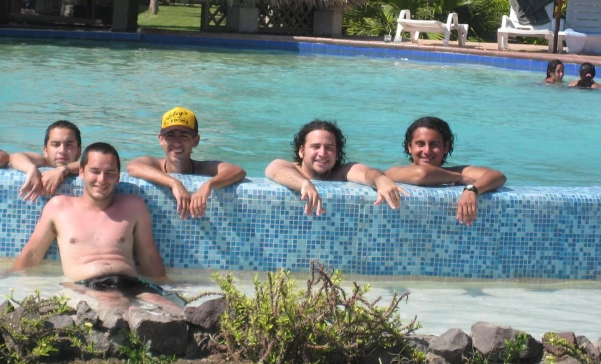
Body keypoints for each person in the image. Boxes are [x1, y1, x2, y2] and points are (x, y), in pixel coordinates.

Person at [15, 142, 180, 313]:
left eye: (109, 173)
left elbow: (150, 257)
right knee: (113, 305)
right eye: (95, 171)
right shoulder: (59, 207)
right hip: (87, 286)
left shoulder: (133, 206)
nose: (101, 179)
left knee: (175, 311)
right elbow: (31, 255)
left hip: (132, 284)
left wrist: (168, 286)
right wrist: (6, 278)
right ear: (81, 172)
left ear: (118, 177)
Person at [265, 120, 407, 216]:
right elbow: (276, 169)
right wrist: (304, 183)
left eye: (329, 148)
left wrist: (380, 179)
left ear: (337, 153)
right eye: (315, 147)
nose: (322, 153)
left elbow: (367, 173)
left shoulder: (341, 172)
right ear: (301, 151)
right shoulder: (292, 169)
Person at [127, 107, 246, 219]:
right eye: (170, 136)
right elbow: (132, 167)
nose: (177, 142)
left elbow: (237, 171)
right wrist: (174, 183)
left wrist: (208, 186)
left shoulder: (202, 168)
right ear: (161, 140)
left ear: (196, 141)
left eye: (184, 136)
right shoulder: (155, 165)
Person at [385, 117, 506, 226]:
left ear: (446, 147)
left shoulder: (457, 171)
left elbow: (498, 176)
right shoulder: (395, 171)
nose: (427, 151)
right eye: (420, 144)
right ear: (409, 147)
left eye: (434, 144)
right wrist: (458, 178)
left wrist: (472, 189)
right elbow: (422, 174)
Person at [10, 120, 82, 202]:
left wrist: (62, 170)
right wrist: (31, 169)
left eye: (69, 145)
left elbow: (91, 164)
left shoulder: (83, 166)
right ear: (45, 150)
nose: (62, 150)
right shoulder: (44, 162)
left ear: (79, 151)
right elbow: (15, 157)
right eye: (55, 144)